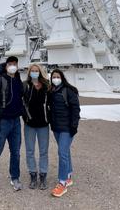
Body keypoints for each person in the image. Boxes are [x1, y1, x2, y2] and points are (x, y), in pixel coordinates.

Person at [0, 56, 24, 196]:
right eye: (10, 64)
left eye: (15, 64)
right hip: (2, 122)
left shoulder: (18, 81)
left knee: (16, 152)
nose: (13, 66)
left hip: (16, 122)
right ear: (6, 65)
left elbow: (22, 99)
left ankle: (15, 177)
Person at [48, 69, 80, 198]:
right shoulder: (51, 91)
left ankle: (62, 183)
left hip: (67, 128)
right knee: (65, 151)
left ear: (62, 78)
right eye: (54, 77)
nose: (56, 79)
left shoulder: (69, 91)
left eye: (58, 77)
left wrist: (74, 126)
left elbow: (76, 109)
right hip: (56, 127)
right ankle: (69, 176)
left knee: (62, 152)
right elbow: (49, 108)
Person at [23, 63, 50, 190]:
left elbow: (51, 103)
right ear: (29, 73)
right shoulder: (25, 85)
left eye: (36, 70)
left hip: (43, 124)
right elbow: (21, 102)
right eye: (32, 71)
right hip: (30, 124)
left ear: (40, 72)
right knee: (30, 151)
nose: (34, 72)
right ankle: (33, 175)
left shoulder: (46, 85)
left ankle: (43, 175)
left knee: (43, 151)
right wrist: (25, 117)